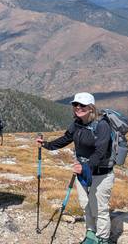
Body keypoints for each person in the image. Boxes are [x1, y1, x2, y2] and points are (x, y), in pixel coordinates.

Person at [37, 92, 114, 244]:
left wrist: (85, 167)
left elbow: (101, 151)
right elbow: (66, 138)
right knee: (86, 204)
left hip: (101, 173)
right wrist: (46, 145)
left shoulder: (102, 125)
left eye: (82, 105)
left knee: (99, 207)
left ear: (91, 108)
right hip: (82, 171)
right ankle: (91, 234)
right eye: (75, 104)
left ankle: (103, 239)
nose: (78, 107)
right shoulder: (77, 123)